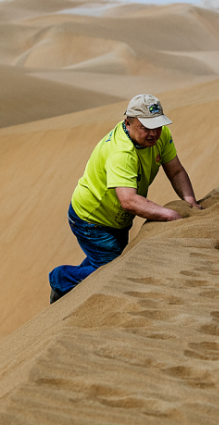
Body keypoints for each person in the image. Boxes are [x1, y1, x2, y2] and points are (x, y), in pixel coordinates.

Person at [49, 94, 203, 302]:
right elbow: (128, 200)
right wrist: (169, 214)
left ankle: (70, 287)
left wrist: (190, 200)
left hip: (117, 220)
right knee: (112, 270)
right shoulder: (121, 152)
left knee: (104, 261)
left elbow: (175, 171)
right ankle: (61, 279)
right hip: (92, 219)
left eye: (157, 126)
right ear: (127, 123)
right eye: (145, 127)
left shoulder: (161, 134)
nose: (153, 133)